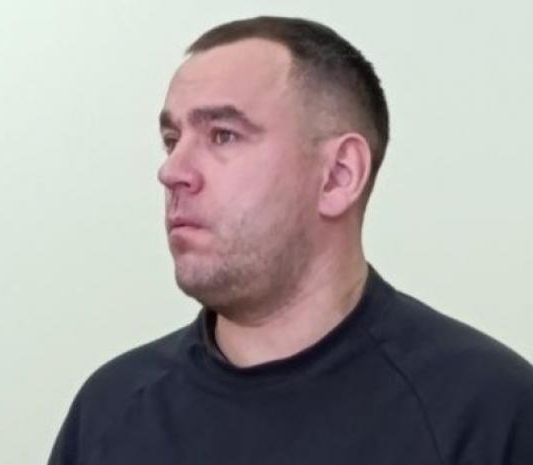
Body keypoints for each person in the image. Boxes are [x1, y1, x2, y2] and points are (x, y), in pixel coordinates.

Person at [48, 16, 533, 465]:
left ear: (338, 175)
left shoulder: (485, 413)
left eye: (223, 135)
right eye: (172, 140)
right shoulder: (110, 412)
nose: (172, 171)